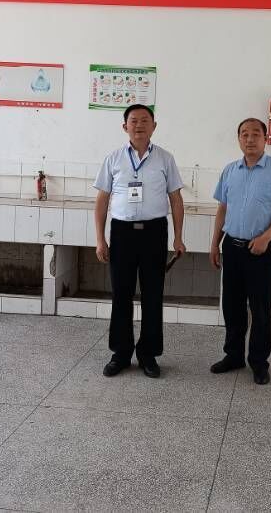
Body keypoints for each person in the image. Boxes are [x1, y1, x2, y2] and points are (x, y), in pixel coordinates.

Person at [94, 104, 186, 378]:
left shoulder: (165, 159)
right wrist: (100, 239)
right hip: (122, 233)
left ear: (154, 126)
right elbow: (102, 201)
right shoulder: (113, 159)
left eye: (145, 120)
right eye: (133, 120)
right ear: (125, 127)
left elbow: (176, 200)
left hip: (154, 232)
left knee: (152, 294)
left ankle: (148, 354)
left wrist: (178, 237)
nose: (139, 125)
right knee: (121, 294)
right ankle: (121, 353)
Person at [209, 117, 271, 385]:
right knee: (232, 307)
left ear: (265, 139)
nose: (250, 139)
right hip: (232, 248)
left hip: (260, 250)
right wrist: (215, 243)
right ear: (239, 139)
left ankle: (259, 362)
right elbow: (222, 208)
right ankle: (233, 355)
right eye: (244, 134)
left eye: (255, 134)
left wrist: (266, 237)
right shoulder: (230, 171)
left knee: (260, 309)